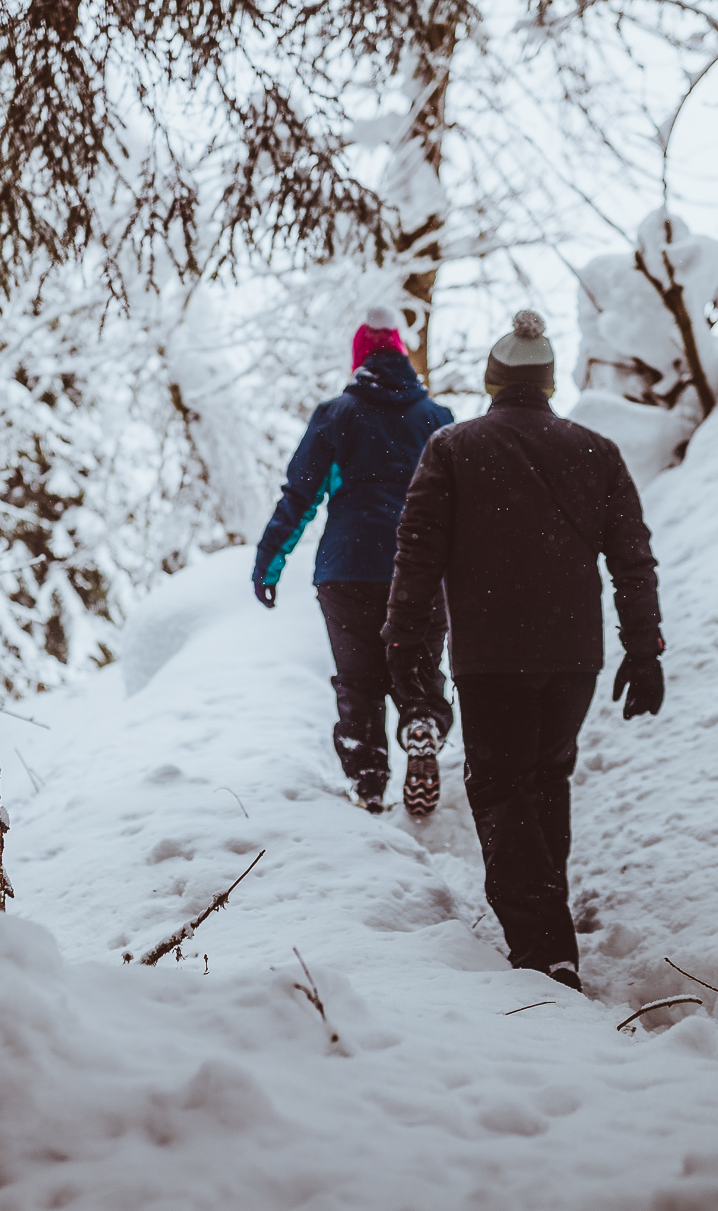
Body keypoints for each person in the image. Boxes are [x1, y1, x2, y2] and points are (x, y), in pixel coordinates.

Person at [383, 309, 664, 993]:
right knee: (544, 782)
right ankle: (547, 924)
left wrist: (402, 638)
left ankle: (543, 948)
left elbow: (417, 553)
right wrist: (644, 645)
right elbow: (632, 558)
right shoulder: (595, 451)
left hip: (491, 656)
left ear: (493, 381)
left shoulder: (453, 449)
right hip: (574, 655)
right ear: (545, 383)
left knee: (502, 786)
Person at [253, 304, 456, 816]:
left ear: (358, 360)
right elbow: (461, 505)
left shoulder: (337, 416)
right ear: (405, 360)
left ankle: (368, 783)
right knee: (420, 666)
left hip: (348, 570)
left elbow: (300, 496)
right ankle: (422, 721)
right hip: (422, 569)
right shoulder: (438, 421)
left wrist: (268, 563)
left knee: (359, 679)